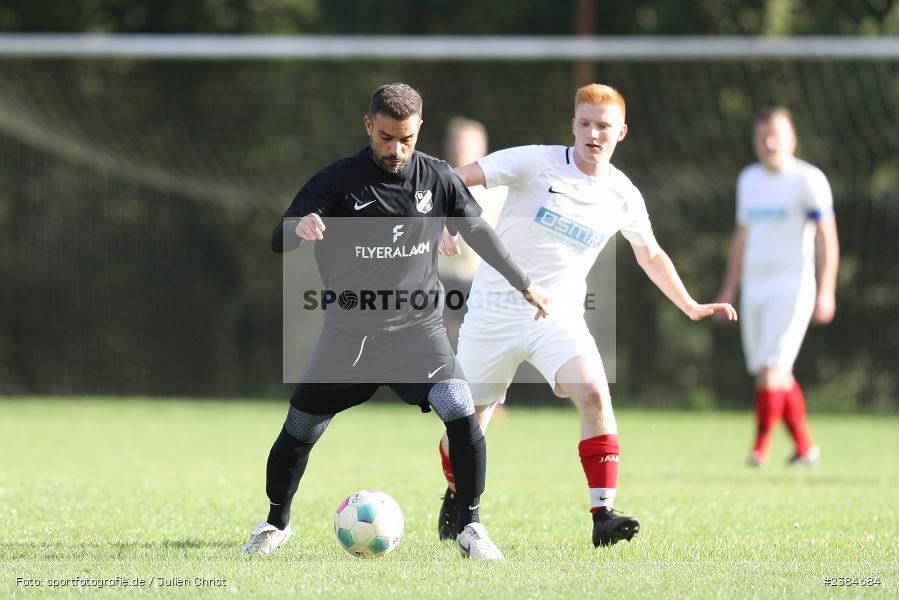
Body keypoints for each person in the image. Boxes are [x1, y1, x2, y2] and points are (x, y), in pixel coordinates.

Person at [241, 83, 549, 560]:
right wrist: (298, 229)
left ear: (419, 128)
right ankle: (275, 522)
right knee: (299, 428)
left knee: (461, 411)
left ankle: (470, 527)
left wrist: (524, 282)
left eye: (405, 138)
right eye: (386, 137)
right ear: (368, 126)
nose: (396, 149)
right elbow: (279, 237)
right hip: (349, 336)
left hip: (417, 335)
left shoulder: (439, 178)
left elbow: (479, 231)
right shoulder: (338, 180)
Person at [436, 83, 738, 547]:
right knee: (467, 426)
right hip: (493, 312)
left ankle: (603, 514)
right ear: (573, 125)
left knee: (595, 394)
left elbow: (651, 255)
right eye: (586, 124)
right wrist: (446, 220)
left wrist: (691, 305)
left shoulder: (622, 194)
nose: (594, 134)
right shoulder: (534, 162)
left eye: (604, 126)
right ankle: (455, 493)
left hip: (557, 318)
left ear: (621, 132)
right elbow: (453, 178)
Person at [715, 107, 839, 467]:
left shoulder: (808, 180)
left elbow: (827, 237)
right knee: (773, 372)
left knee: (771, 367)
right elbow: (741, 238)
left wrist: (826, 289)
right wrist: (728, 289)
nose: (769, 143)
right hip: (755, 287)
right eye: (762, 136)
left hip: (793, 286)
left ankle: (758, 451)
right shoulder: (749, 180)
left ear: (792, 138)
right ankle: (805, 448)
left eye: (776, 135)